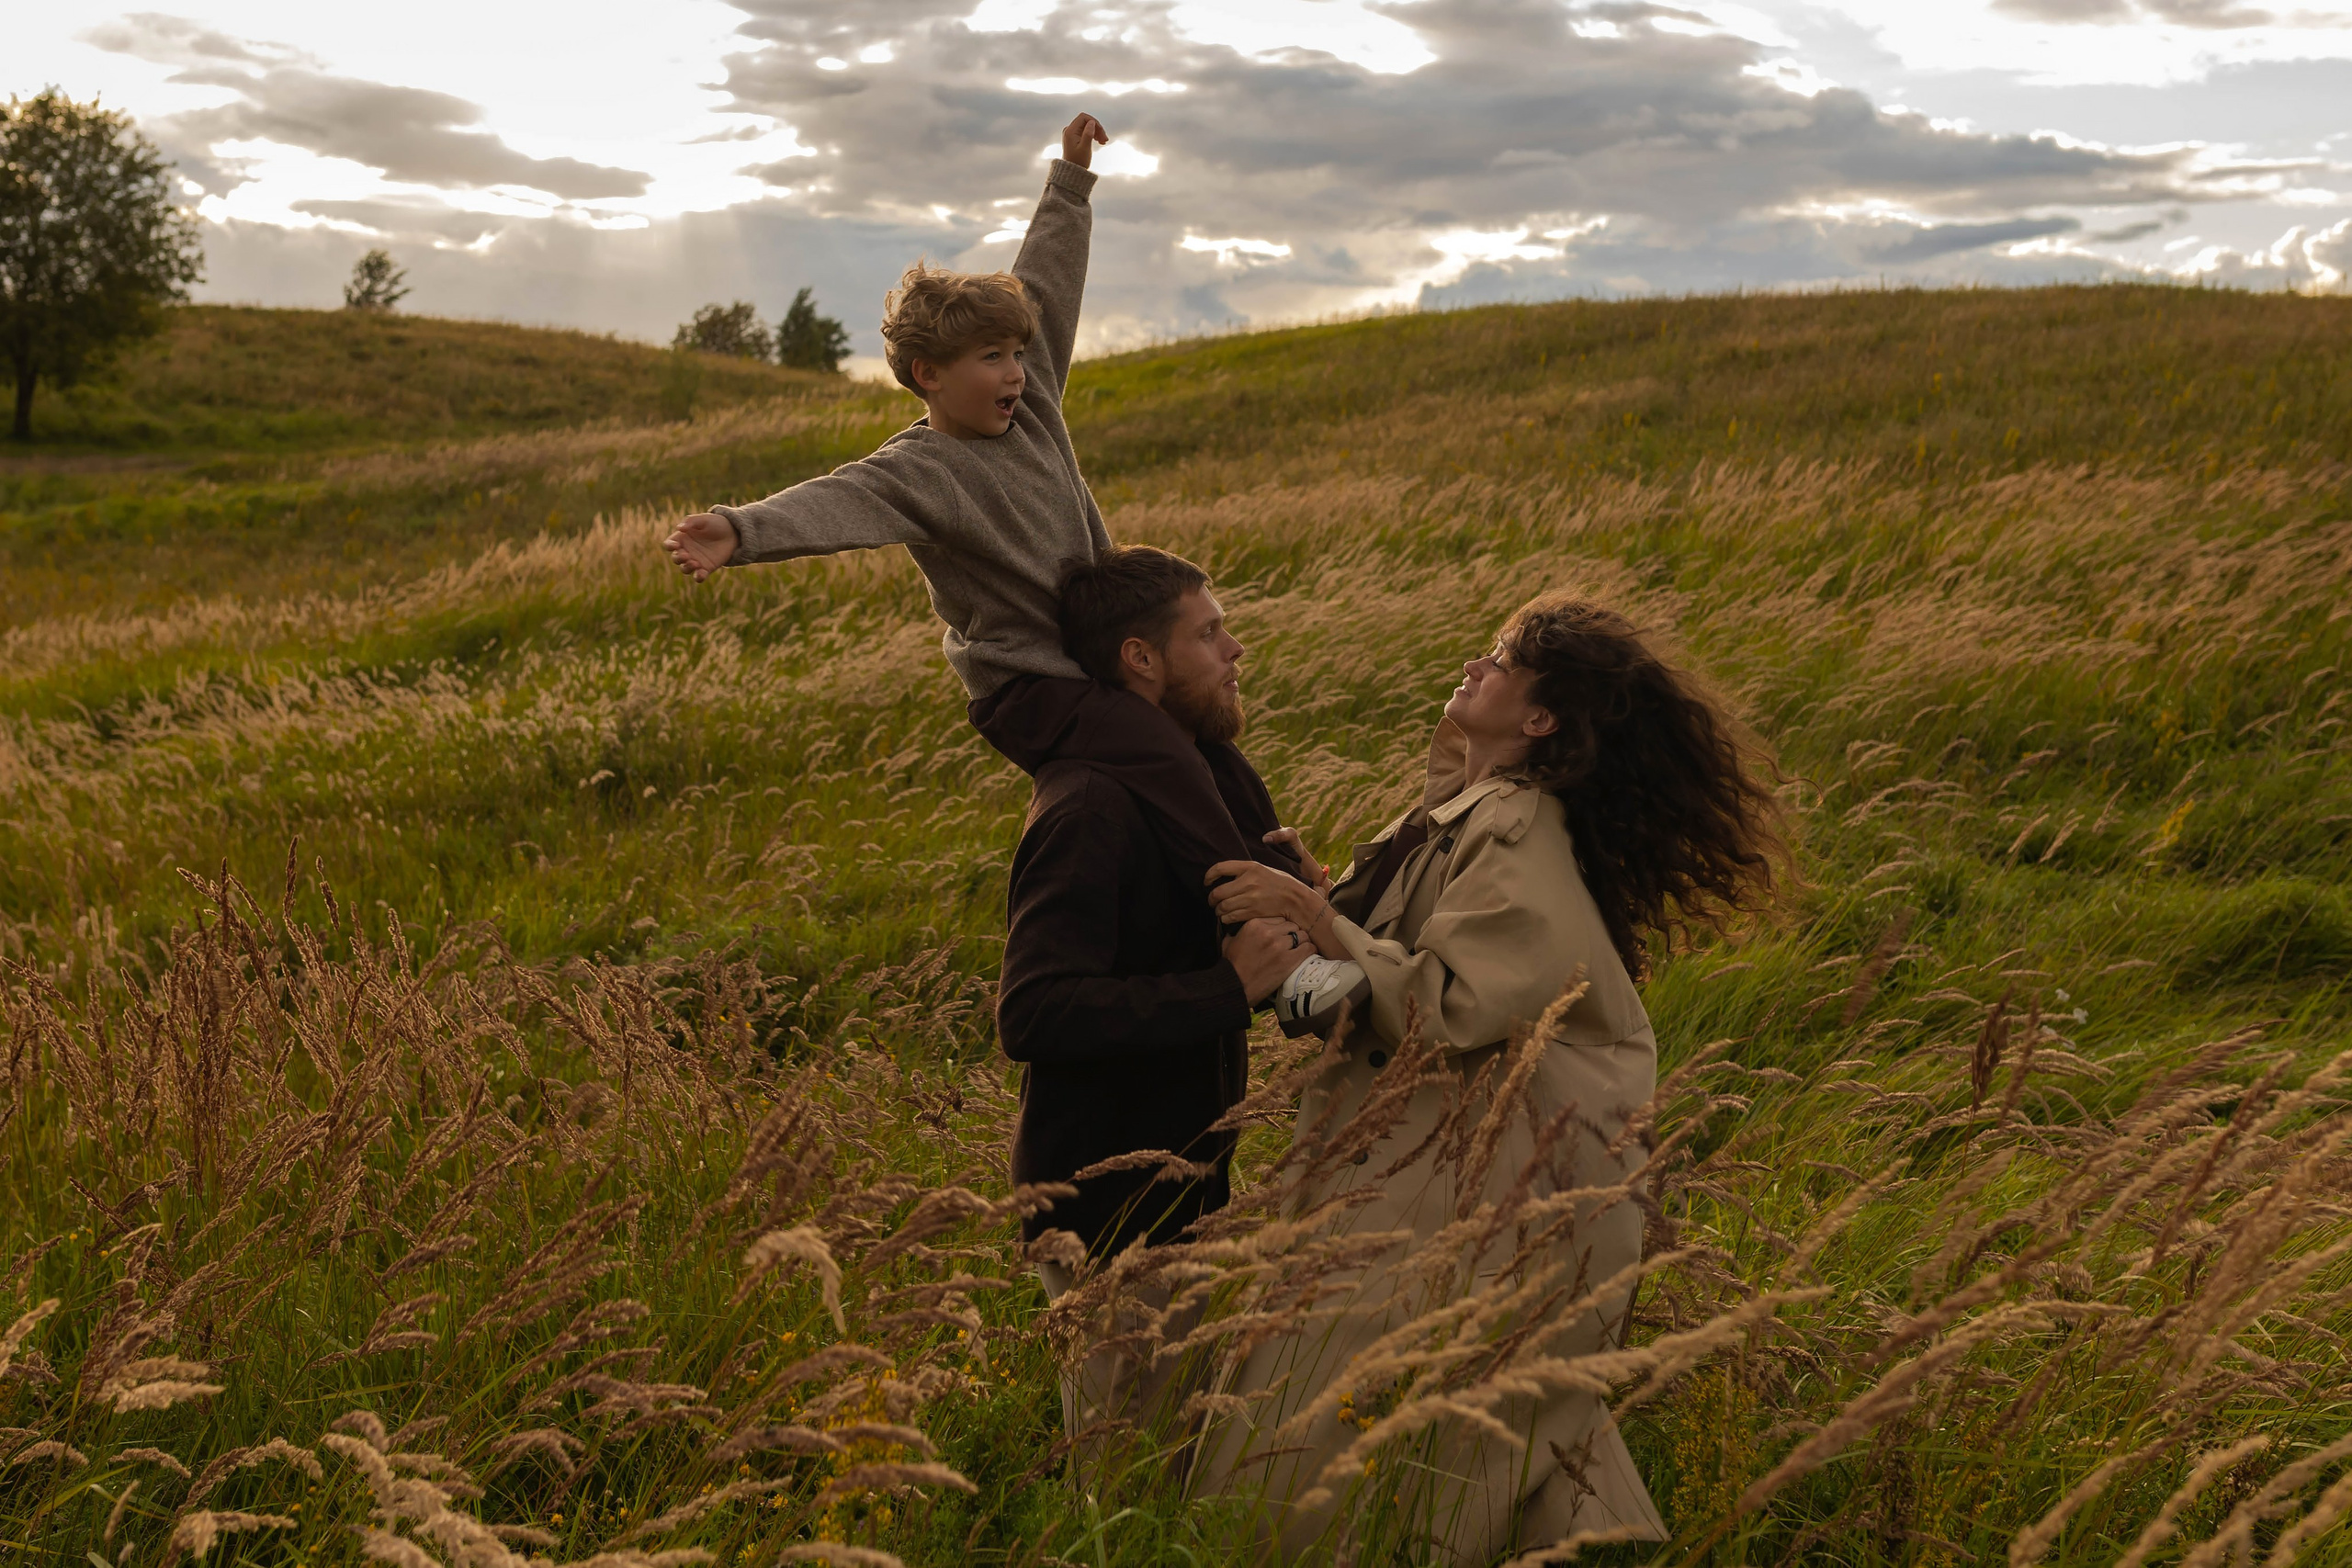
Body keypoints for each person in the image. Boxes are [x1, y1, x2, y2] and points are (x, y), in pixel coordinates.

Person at [1193, 592, 1787, 1562]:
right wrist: (1328, 907)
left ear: (1541, 718)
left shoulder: (1512, 821)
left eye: (1503, 659)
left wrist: (1309, 913)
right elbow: (1407, 952)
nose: (1476, 664)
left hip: (1483, 1187)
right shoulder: (1464, 813)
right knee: (1489, 1414)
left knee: (1393, 1411)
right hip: (1475, 1182)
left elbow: (1450, 1005)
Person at [657, 112, 1322, 929]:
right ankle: (1259, 924)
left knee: (1214, 751)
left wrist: (1070, 181)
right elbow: (836, 501)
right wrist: (738, 532)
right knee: (1161, 757)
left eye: (1016, 354)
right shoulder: (922, 473)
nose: (1014, 373)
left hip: (1094, 662)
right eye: (991, 360)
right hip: (1030, 689)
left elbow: (1046, 275)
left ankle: (1302, 885)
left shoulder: (1030, 404)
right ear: (927, 374)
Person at [995, 545, 1312, 1483]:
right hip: (1098, 1212)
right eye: (1209, 634)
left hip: (1183, 1186)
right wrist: (1225, 989)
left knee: (1171, 1463)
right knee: (1125, 1480)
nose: (1235, 649)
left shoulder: (1194, 783)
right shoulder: (1089, 803)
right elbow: (1034, 1011)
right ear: (1139, 659)